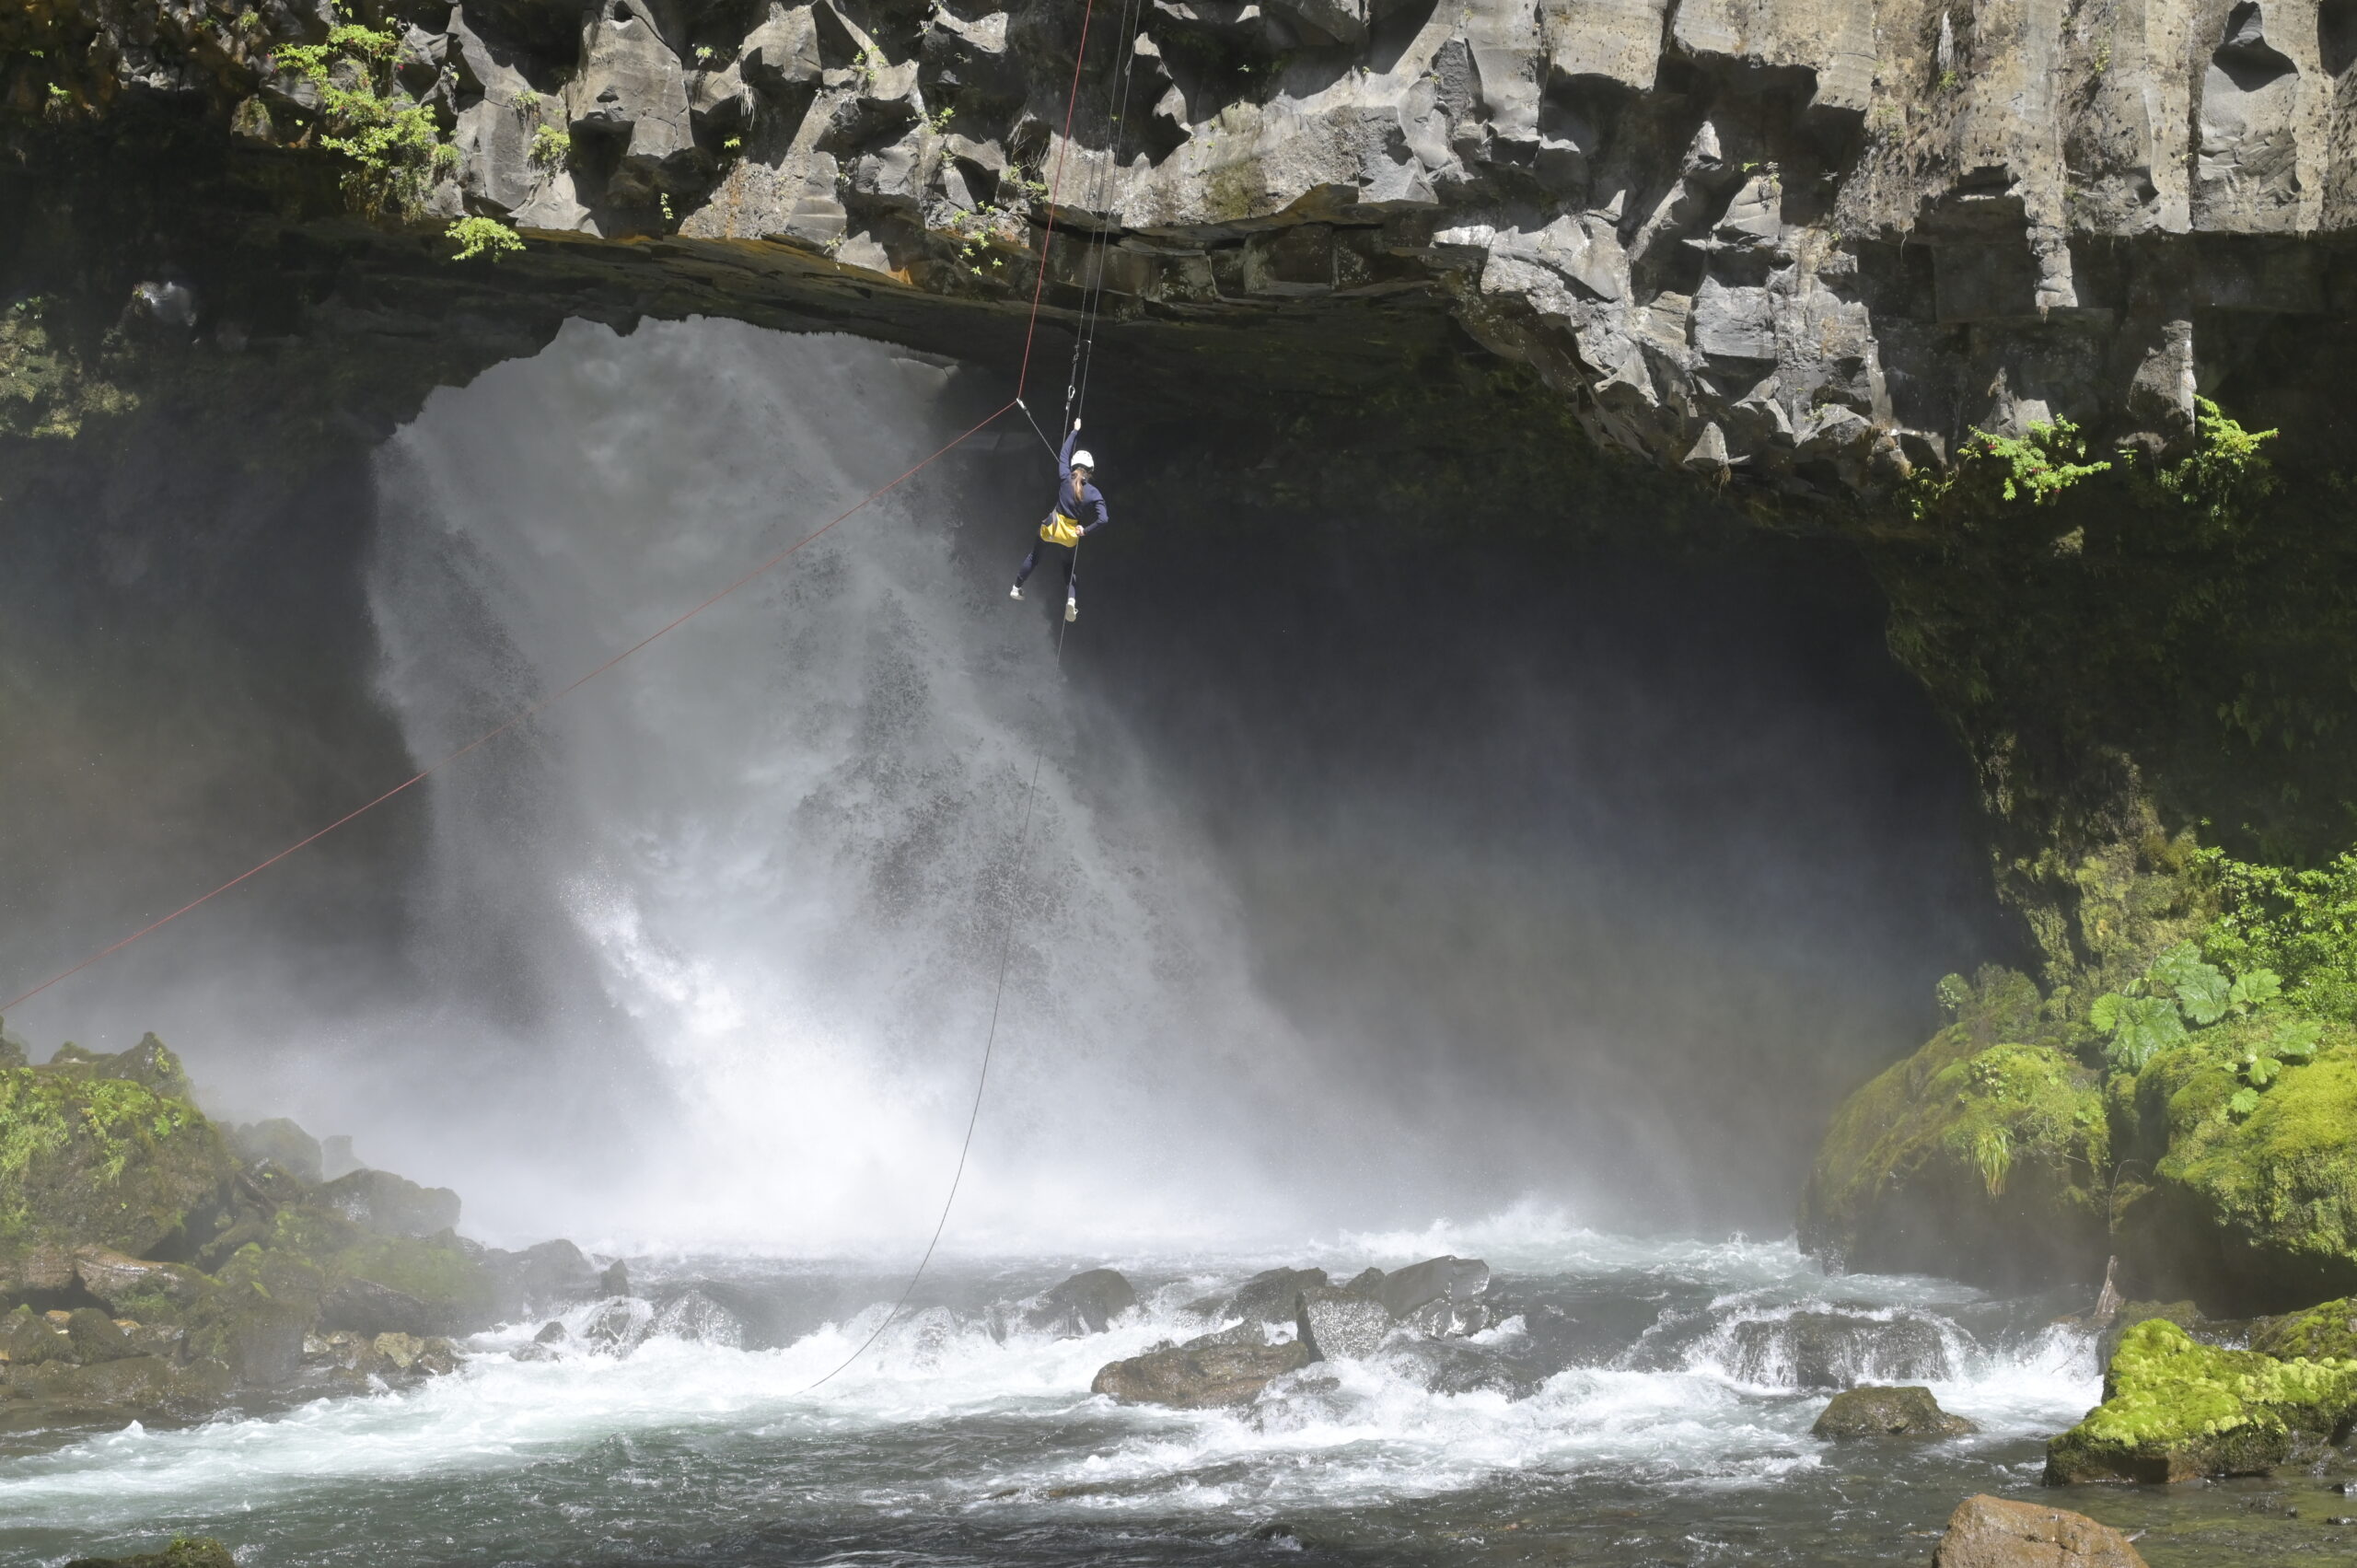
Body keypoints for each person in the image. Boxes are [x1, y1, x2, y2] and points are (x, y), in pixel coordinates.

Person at [1011, 418, 1106, 623]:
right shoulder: (1093, 492)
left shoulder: (1065, 477)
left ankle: (1016, 587)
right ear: (1090, 471)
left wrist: (1075, 431)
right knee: (1068, 569)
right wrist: (1085, 531)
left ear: (1074, 466)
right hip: (1070, 535)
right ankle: (1071, 601)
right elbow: (1104, 519)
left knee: (1035, 556)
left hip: (1051, 527)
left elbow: (1064, 453)